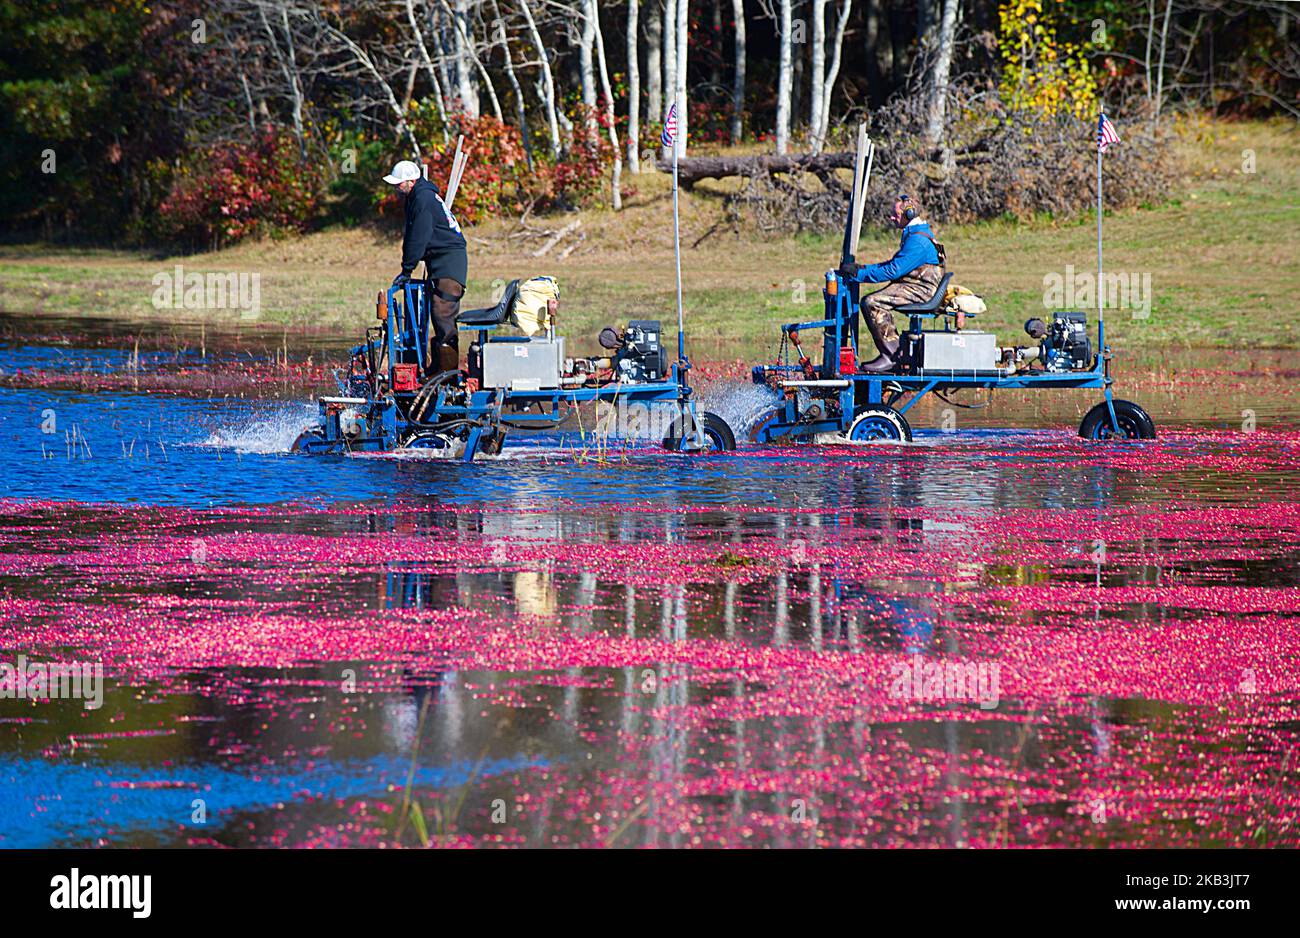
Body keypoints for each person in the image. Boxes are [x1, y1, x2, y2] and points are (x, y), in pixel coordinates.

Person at [838, 194, 946, 373]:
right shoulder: (915, 234)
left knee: (872, 302)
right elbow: (893, 265)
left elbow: (892, 271)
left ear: (909, 215)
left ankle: (892, 357)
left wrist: (859, 273)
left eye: (895, 214)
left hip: (922, 290)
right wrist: (862, 269)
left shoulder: (917, 241)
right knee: (873, 300)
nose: (892, 217)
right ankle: (894, 353)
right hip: (915, 284)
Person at [383, 159, 469, 376]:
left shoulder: (422, 198)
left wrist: (407, 269)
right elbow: (415, 236)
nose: (396, 187)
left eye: (399, 183)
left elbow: (417, 237)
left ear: (411, 181)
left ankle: (447, 377)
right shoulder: (420, 197)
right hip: (440, 263)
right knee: (436, 313)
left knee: (443, 314)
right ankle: (437, 369)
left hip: (449, 264)